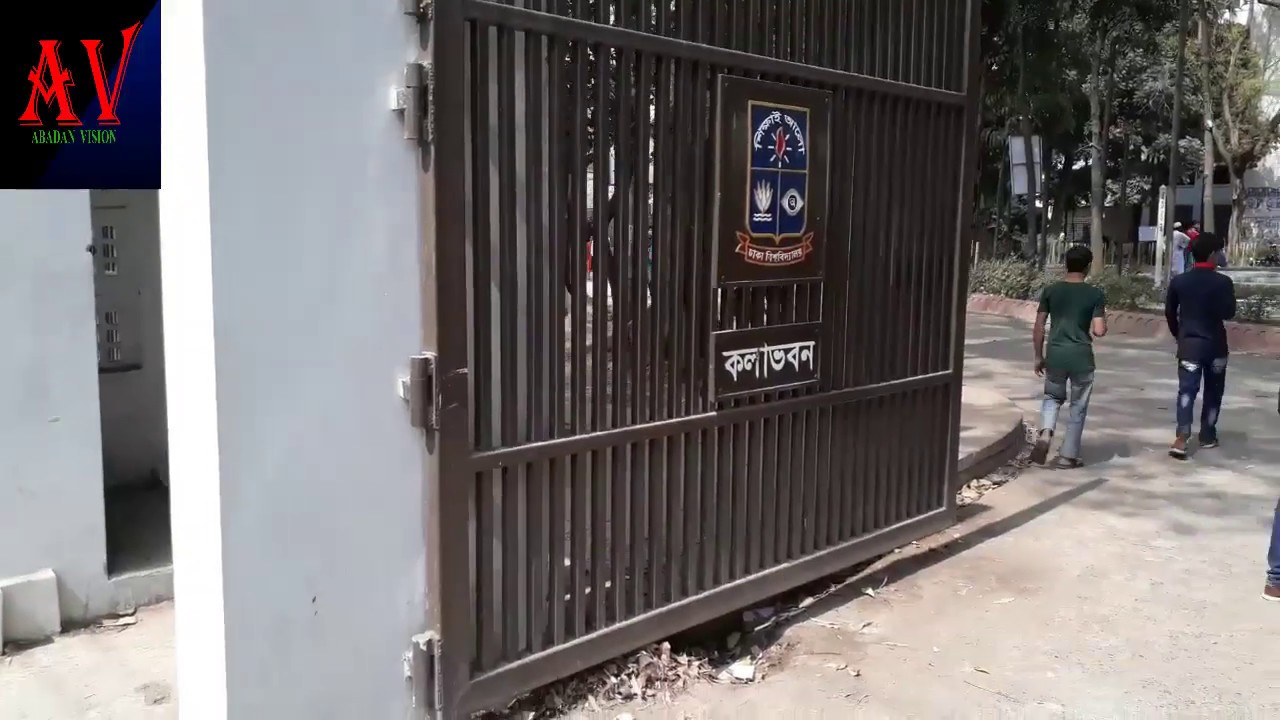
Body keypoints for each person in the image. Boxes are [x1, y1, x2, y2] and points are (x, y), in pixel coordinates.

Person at [1030, 245, 1107, 468]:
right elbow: (1099, 330)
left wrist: (1038, 356)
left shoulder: (1051, 291)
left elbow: (1038, 327)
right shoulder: (1095, 294)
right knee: (1078, 406)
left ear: (1066, 264)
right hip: (1082, 358)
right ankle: (1068, 456)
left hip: (1055, 355)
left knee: (1052, 398)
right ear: (1088, 267)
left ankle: (1046, 433)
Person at [1164, 233, 1237, 459]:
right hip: (1215, 345)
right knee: (1213, 392)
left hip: (1190, 345)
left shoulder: (1179, 281)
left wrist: (1180, 334)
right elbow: (1229, 313)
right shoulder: (1223, 282)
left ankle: (1182, 437)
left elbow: (1170, 313)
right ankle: (1207, 435)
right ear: (1214, 254)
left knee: (1187, 392)